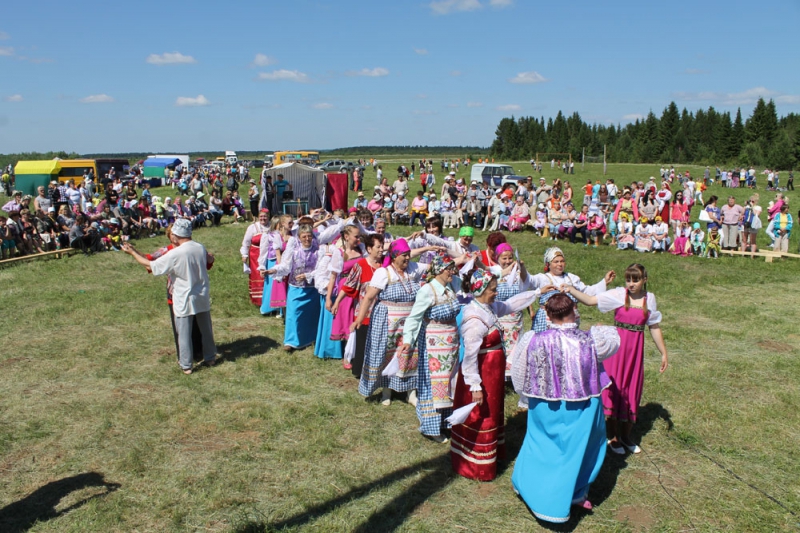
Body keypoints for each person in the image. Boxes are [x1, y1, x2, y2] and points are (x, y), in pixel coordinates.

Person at [510, 293, 621, 522]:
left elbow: (519, 374)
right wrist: (601, 327)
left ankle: (529, 484)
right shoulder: (590, 341)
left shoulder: (532, 339)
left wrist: (526, 395)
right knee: (577, 450)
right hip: (582, 405)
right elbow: (613, 343)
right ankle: (571, 494)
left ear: (547, 315)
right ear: (573, 311)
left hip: (543, 403)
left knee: (540, 442)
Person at [450, 268, 547, 481]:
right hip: (481, 374)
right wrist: (474, 386)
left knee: (492, 411)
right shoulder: (474, 319)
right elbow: (469, 357)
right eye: (493, 290)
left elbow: (511, 304)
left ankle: (491, 453)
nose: (496, 293)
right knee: (481, 414)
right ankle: (475, 464)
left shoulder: (488, 307)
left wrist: (537, 293)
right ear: (482, 289)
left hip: (492, 374)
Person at [565, 263, 668, 455]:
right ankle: (612, 436)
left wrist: (663, 352)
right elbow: (590, 300)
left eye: (635, 280)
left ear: (644, 280)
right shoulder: (619, 295)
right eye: (628, 279)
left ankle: (626, 436)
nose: (631, 284)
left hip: (634, 354)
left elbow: (654, 326)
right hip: (617, 351)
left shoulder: (649, 299)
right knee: (615, 388)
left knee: (631, 389)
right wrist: (571, 289)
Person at [123, 218, 217, 374]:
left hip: (184, 297)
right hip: (201, 294)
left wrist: (132, 252)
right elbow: (209, 260)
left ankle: (186, 365)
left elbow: (151, 266)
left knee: (184, 332)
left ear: (176, 235)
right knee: (206, 329)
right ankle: (210, 357)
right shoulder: (200, 247)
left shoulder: (175, 253)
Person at [352, 238, 428, 406]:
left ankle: (411, 392)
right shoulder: (384, 273)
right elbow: (369, 297)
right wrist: (359, 318)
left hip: (410, 321)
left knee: (409, 354)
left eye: (409, 255)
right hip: (388, 321)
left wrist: (460, 259)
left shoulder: (413, 269)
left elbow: (434, 268)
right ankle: (387, 390)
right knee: (388, 354)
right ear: (394, 256)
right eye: (404, 255)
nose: (408, 259)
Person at [400, 252, 461, 443]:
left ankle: (447, 422)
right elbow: (414, 317)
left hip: (451, 346)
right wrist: (408, 340)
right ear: (439, 270)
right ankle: (431, 427)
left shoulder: (451, 286)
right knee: (435, 385)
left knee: (450, 383)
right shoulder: (427, 291)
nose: (453, 271)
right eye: (449, 268)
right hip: (434, 347)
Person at [264, 224, 322, 351]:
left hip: (312, 289)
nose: (307, 239)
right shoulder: (294, 251)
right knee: (293, 314)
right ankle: (290, 341)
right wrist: (273, 270)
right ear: (299, 238)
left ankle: (310, 338)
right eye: (304, 236)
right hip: (296, 288)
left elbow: (321, 270)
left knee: (311, 315)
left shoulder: (318, 251)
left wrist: (307, 275)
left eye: (309, 236)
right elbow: (285, 266)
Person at [334, 234, 384, 378]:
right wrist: (337, 302)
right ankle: (360, 371)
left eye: (382, 246)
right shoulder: (361, 266)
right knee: (362, 344)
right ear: (369, 248)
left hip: (382, 313)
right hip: (364, 313)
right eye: (378, 247)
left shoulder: (385, 266)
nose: (381, 250)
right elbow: (348, 286)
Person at [529, 247, 613, 333]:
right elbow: (528, 280)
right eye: (556, 262)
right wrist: (521, 268)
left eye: (562, 261)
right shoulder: (542, 279)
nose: (560, 264)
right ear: (548, 264)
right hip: (548, 321)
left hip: (570, 320)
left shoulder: (571, 278)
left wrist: (605, 282)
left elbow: (588, 292)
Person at [240, 209, 270, 306]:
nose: (263, 218)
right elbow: (246, 242)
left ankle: (268, 300)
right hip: (255, 256)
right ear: (258, 216)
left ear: (268, 216)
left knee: (268, 276)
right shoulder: (253, 227)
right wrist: (244, 254)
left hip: (268, 255)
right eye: (261, 216)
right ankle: (258, 301)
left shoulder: (272, 226)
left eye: (265, 216)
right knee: (257, 275)